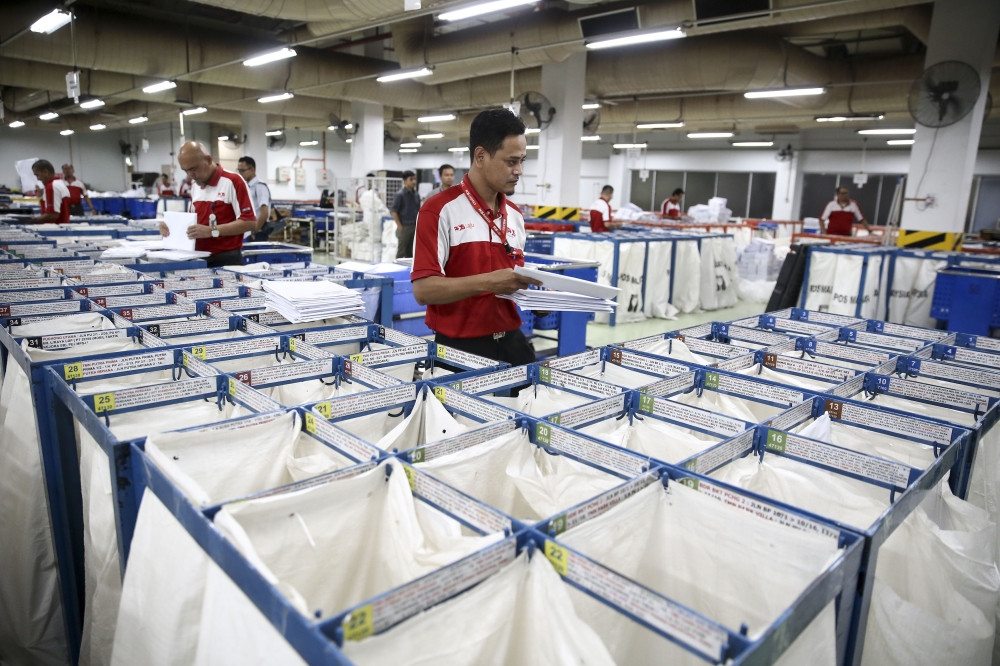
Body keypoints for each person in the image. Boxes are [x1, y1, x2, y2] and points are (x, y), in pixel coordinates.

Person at [412, 108, 541, 366]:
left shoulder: (514, 215)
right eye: (511, 161)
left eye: (522, 161)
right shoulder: (439, 210)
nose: (519, 171)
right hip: (459, 352)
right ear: (480, 156)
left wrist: (539, 298)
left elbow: (510, 284)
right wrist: (488, 282)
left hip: (514, 345)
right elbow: (423, 289)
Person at [158, 142, 257, 267]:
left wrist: (212, 230)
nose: (190, 175)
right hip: (199, 260)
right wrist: (171, 228)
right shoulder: (195, 186)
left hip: (226, 261)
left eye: (193, 169)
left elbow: (250, 222)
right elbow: (192, 225)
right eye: (186, 171)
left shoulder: (233, 182)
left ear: (208, 160)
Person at [237, 156, 278, 242]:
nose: (240, 173)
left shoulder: (260, 187)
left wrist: (255, 231)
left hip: (257, 234)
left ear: (252, 170)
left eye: (242, 171)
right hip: (247, 232)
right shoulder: (247, 187)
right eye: (239, 170)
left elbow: (264, 213)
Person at [391, 170, 421, 259]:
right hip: (404, 226)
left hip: (414, 226)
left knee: (412, 252)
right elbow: (394, 211)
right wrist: (400, 227)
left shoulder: (416, 195)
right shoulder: (400, 195)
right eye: (411, 179)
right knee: (401, 252)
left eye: (415, 179)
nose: (414, 181)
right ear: (405, 181)